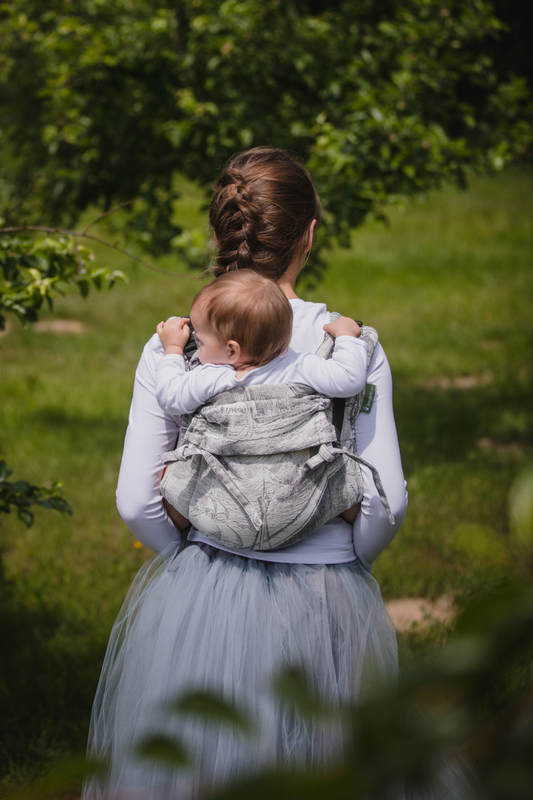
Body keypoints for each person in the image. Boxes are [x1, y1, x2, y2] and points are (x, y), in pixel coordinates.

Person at [83, 147, 411, 799]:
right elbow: (386, 499)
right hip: (324, 593)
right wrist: (349, 558)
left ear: (219, 236)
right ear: (309, 235)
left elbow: (134, 502)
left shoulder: (176, 346)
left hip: (206, 588)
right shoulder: (348, 345)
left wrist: (190, 550)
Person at [154, 269, 371, 538]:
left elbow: (170, 396)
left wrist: (173, 349)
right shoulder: (301, 366)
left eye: (200, 341)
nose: (197, 348)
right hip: (300, 507)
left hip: (223, 511)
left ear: (231, 350)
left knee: (170, 474)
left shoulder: (214, 376)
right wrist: (347, 337)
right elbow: (349, 379)